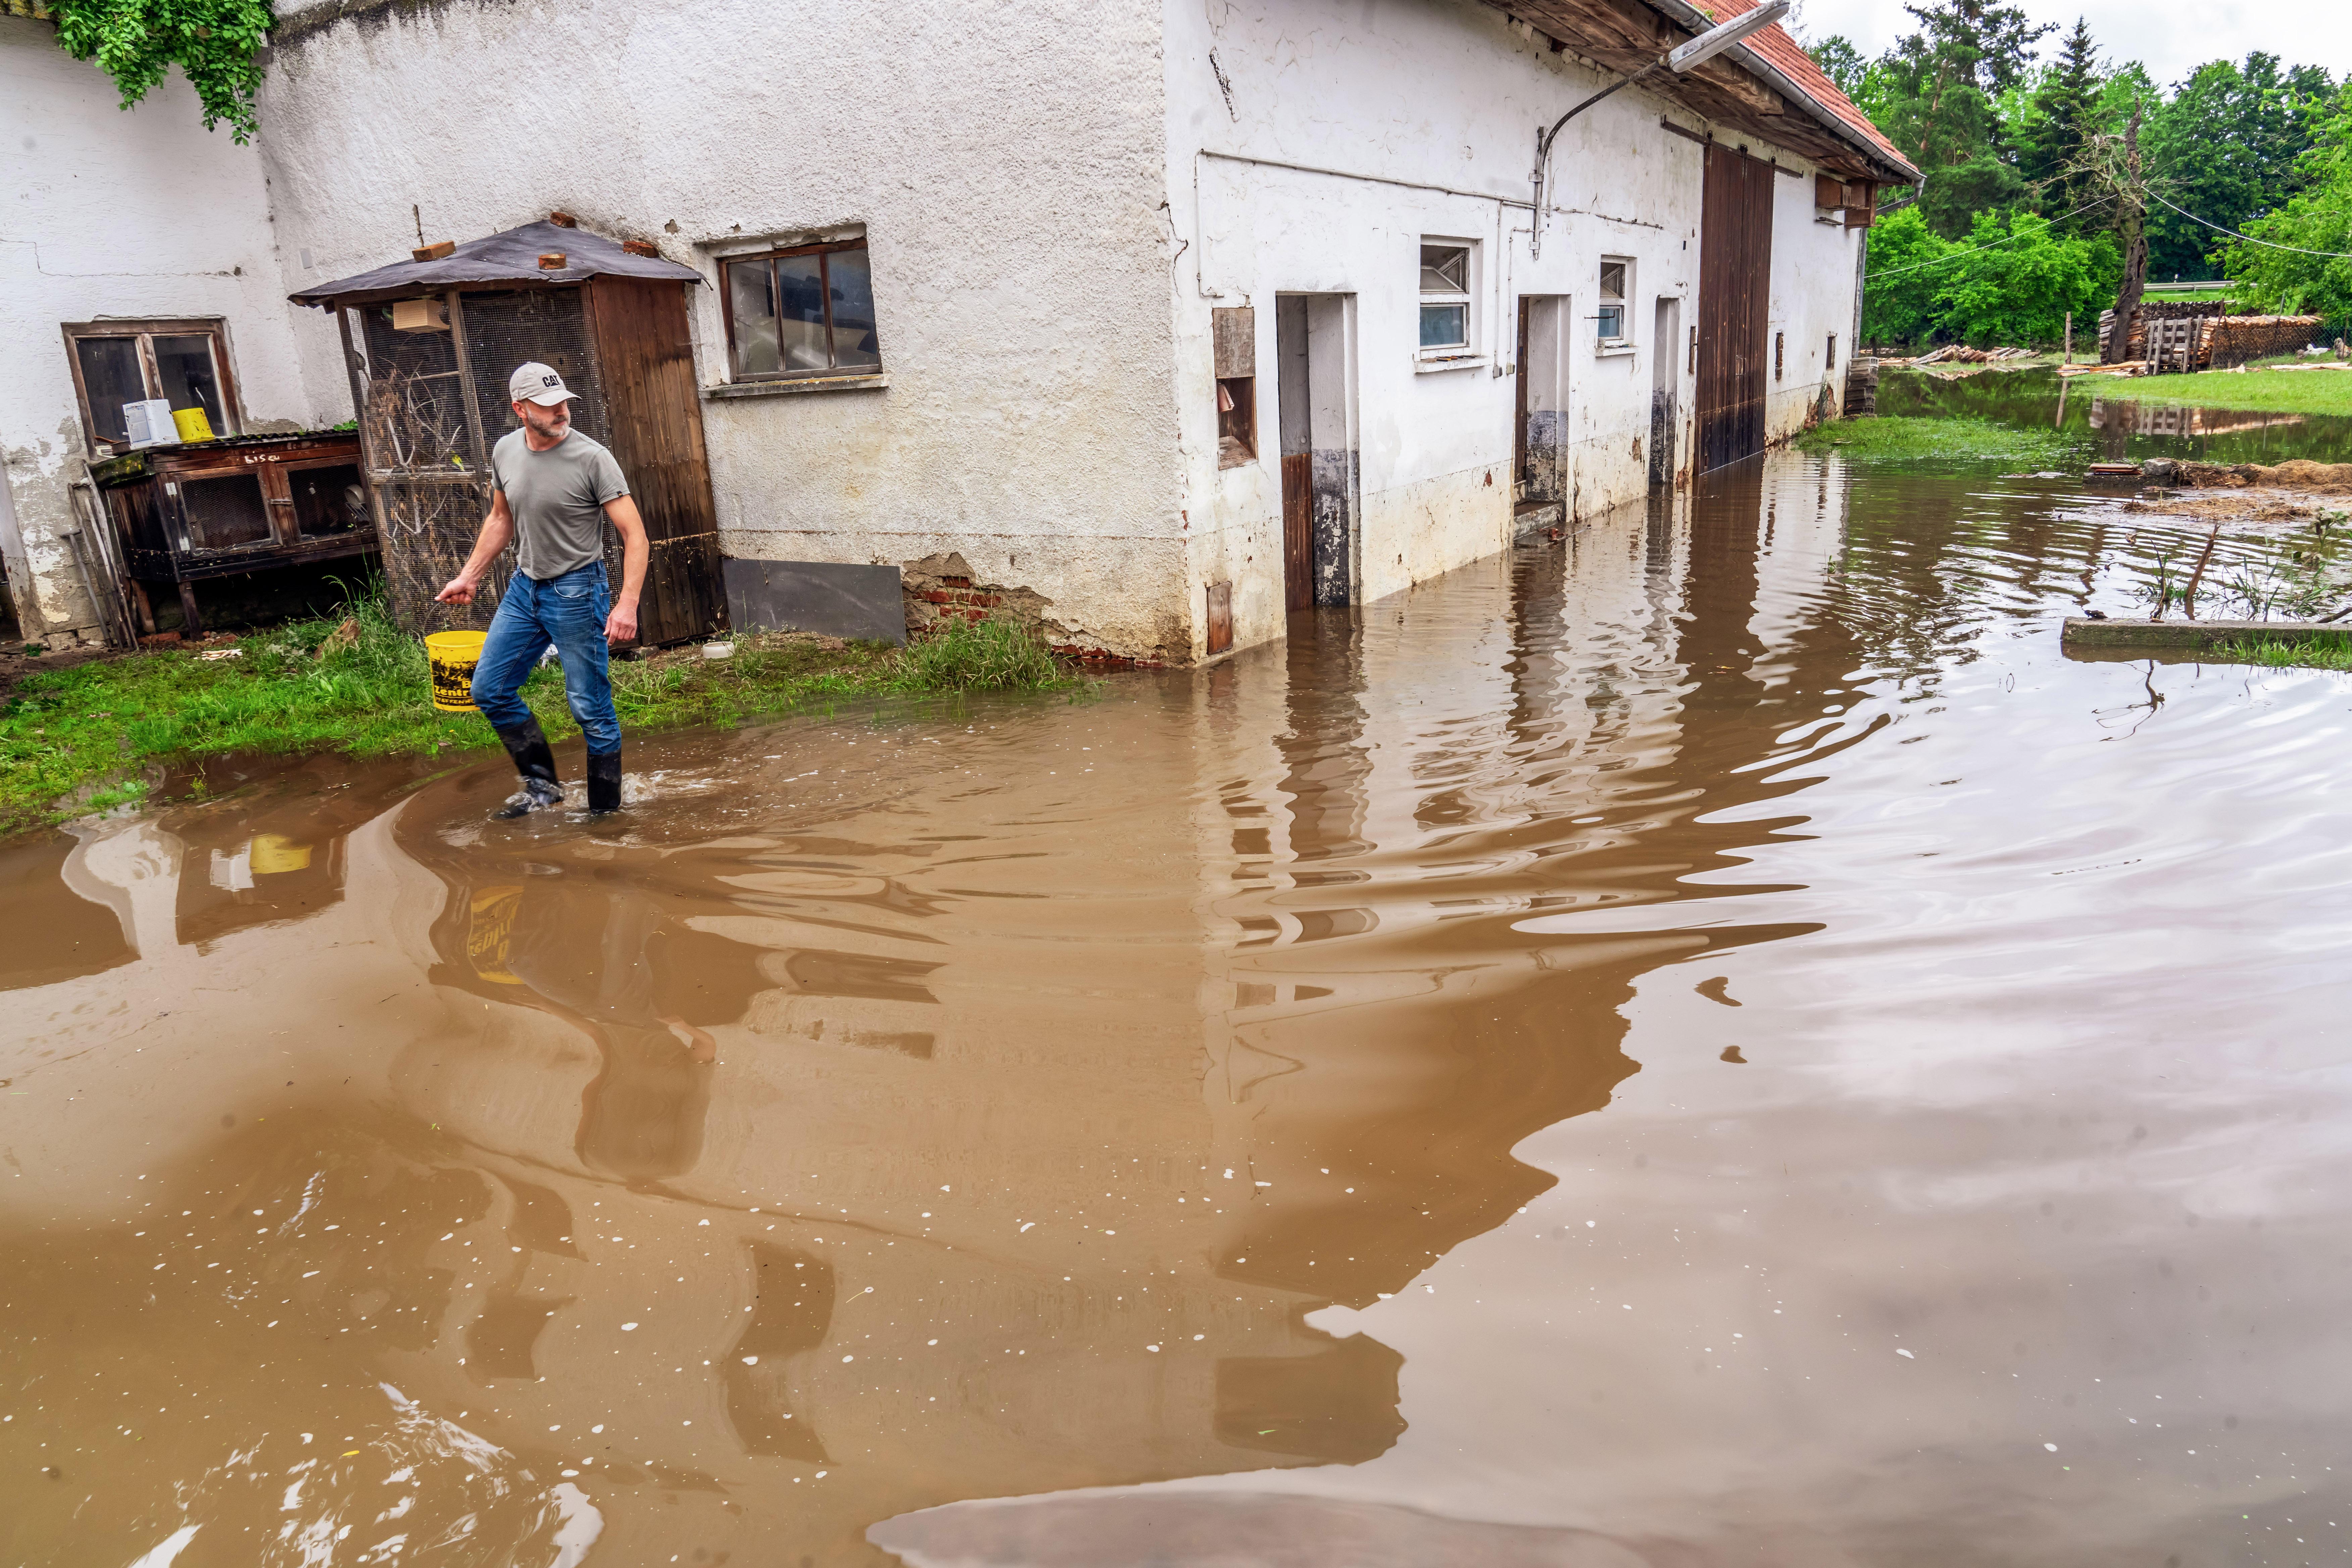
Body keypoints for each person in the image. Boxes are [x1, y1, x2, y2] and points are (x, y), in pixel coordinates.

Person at [435, 362, 648, 818]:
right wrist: (470, 575)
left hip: (576, 590)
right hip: (524, 588)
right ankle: (543, 789)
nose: (561, 412)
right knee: (489, 689)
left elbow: (636, 535)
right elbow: (500, 519)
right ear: (520, 409)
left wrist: (626, 604)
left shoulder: (592, 458)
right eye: (549, 407)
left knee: (591, 709)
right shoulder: (506, 450)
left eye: (564, 403)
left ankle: (605, 813)